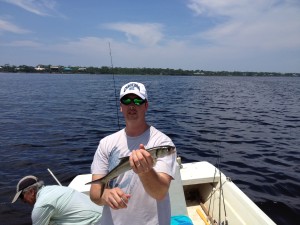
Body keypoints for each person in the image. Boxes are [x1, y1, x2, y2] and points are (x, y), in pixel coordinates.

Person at [90, 81, 177, 225]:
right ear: (121, 107)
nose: (132, 105)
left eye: (137, 100)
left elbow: (160, 192)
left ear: (146, 106)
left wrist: (145, 171)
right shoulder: (106, 143)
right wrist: (105, 195)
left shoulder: (163, 142)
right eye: (126, 100)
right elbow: (95, 193)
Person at [12, 175, 103, 225]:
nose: (23, 201)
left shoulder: (41, 205)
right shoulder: (53, 188)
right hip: (104, 214)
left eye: (22, 197)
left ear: (31, 191)